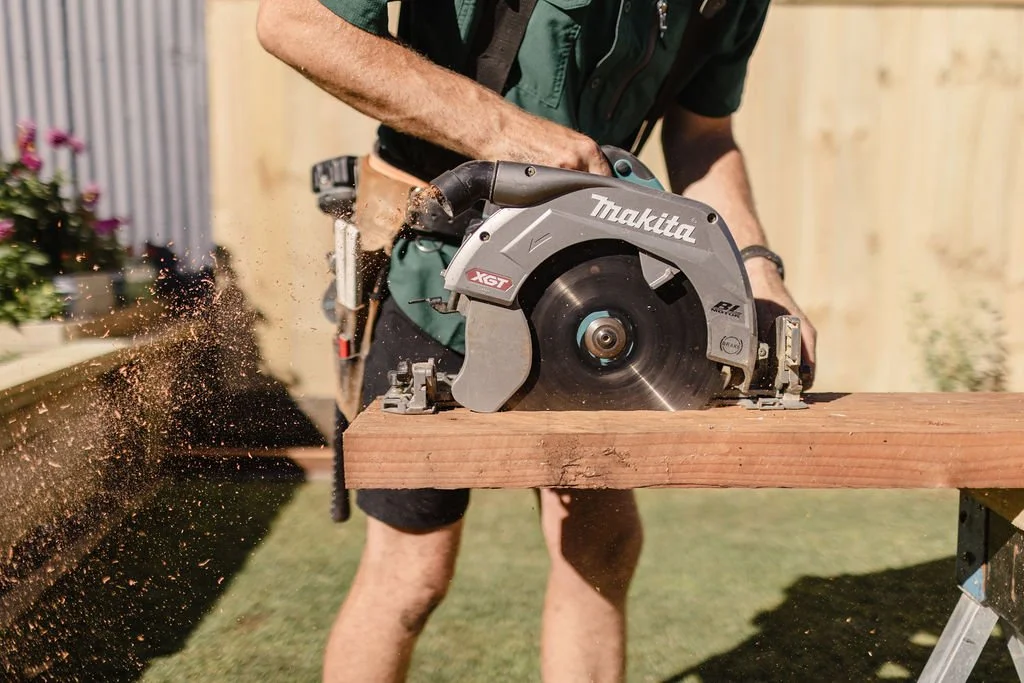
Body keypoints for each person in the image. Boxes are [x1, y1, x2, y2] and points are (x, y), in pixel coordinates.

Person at [257, 1, 817, 681]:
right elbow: (293, 22)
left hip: (585, 294)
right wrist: (502, 129)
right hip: (434, 267)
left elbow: (703, 132)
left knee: (601, 545)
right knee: (412, 568)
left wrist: (756, 269)